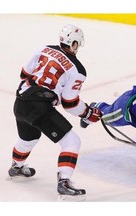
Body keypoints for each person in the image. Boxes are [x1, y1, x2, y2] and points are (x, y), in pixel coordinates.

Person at [8, 24, 102, 198]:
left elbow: (23, 74)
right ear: (74, 44)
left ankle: (16, 166)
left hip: (20, 101)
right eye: (77, 44)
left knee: (28, 137)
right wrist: (88, 113)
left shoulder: (44, 48)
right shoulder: (78, 70)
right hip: (39, 107)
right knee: (72, 142)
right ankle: (64, 182)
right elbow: (70, 103)